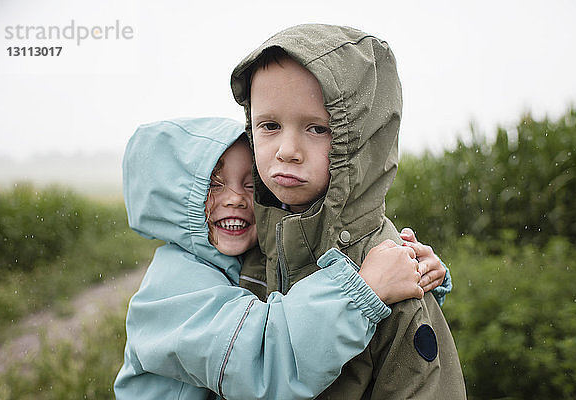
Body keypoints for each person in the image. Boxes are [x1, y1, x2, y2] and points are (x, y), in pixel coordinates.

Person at [113, 117, 450, 399]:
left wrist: (412, 269)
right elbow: (261, 361)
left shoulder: (246, 260)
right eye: (214, 184)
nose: (236, 199)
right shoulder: (173, 286)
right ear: (171, 198)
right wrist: (362, 291)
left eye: (250, 185)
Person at [230, 24, 467, 398]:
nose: (287, 150)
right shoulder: (243, 242)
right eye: (270, 125)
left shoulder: (395, 275)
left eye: (318, 128)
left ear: (362, 139)